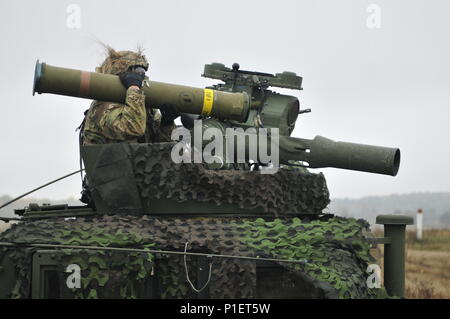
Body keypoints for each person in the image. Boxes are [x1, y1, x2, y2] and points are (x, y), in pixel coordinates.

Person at [81, 47, 179, 145]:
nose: (142, 77)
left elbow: (159, 149)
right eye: (139, 71)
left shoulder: (143, 105)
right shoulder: (102, 107)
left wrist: (166, 124)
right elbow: (133, 129)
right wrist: (134, 88)